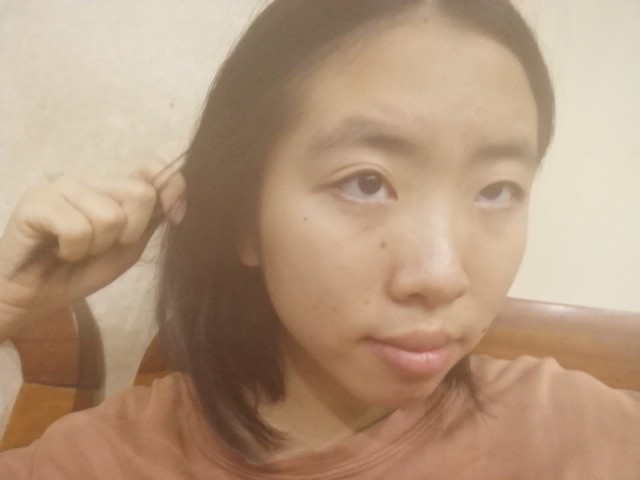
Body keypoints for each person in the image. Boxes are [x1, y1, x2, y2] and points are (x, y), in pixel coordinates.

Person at [0, 0, 639, 478]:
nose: (442, 275)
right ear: (244, 217)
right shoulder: (104, 461)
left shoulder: (575, 433)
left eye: (497, 190)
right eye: (366, 182)